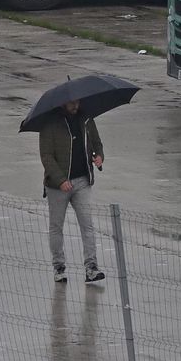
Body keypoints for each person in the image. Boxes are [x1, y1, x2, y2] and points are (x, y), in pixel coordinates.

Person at [39, 100, 105, 284]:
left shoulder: (86, 119)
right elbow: (46, 156)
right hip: (58, 186)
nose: (75, 105)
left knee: (87, 224)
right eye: (71, 103)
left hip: (82, 181)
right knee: (56, 226)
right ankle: (59, 267)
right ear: (62, 103)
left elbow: (96, 144)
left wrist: (98, 157)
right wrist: (61, 180)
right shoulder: (50, 123)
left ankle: (91, 268)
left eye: (77, 102)